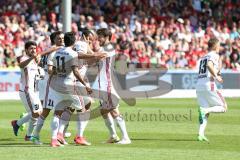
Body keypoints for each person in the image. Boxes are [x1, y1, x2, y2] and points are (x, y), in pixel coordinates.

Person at [46, 32, 92, 147]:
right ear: (73, 41)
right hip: (69, 85)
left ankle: (54, 139)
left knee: (57, 113)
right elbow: (76, 72)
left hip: (58, 84)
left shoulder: (57, 52)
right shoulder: (73, 53)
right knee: (83, 110)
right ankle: (80, 137)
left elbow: (54, 70)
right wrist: (85, 84)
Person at [94, 28, 131, 144]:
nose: (97, 39)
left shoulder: (109, 48)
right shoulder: (102, 48)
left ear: (106, 37)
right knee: (104, 111)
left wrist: (82, 51)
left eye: (100, 36)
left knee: (114, 110)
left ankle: (126, 137)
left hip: (108, 84)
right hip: (102, 84)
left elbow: (95, 56)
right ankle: (114, 135)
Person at [196, 38, 228, 142]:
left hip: (199, 86)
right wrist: (217, 76)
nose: (220, 47)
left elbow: (208, 67)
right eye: (219, 45)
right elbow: (209, 65)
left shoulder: (203, 57)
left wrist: (217, 72)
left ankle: (200, 134)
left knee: (205, 113)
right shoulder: (214, 55)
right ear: (215, 46)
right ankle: (204, 110)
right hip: (209, 85)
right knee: (223, 107)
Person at [11, 41, 43, 141]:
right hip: (27, 91)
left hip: (34, 91)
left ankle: (18, 124)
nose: (33, 50)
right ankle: (29, 136)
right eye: (31, 48)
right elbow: (21, 65)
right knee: (36, 113)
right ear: (26, 50)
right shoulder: (23, 58)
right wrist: (32, 58)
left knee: (39, 112)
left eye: (35, 48)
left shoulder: (35, 61)